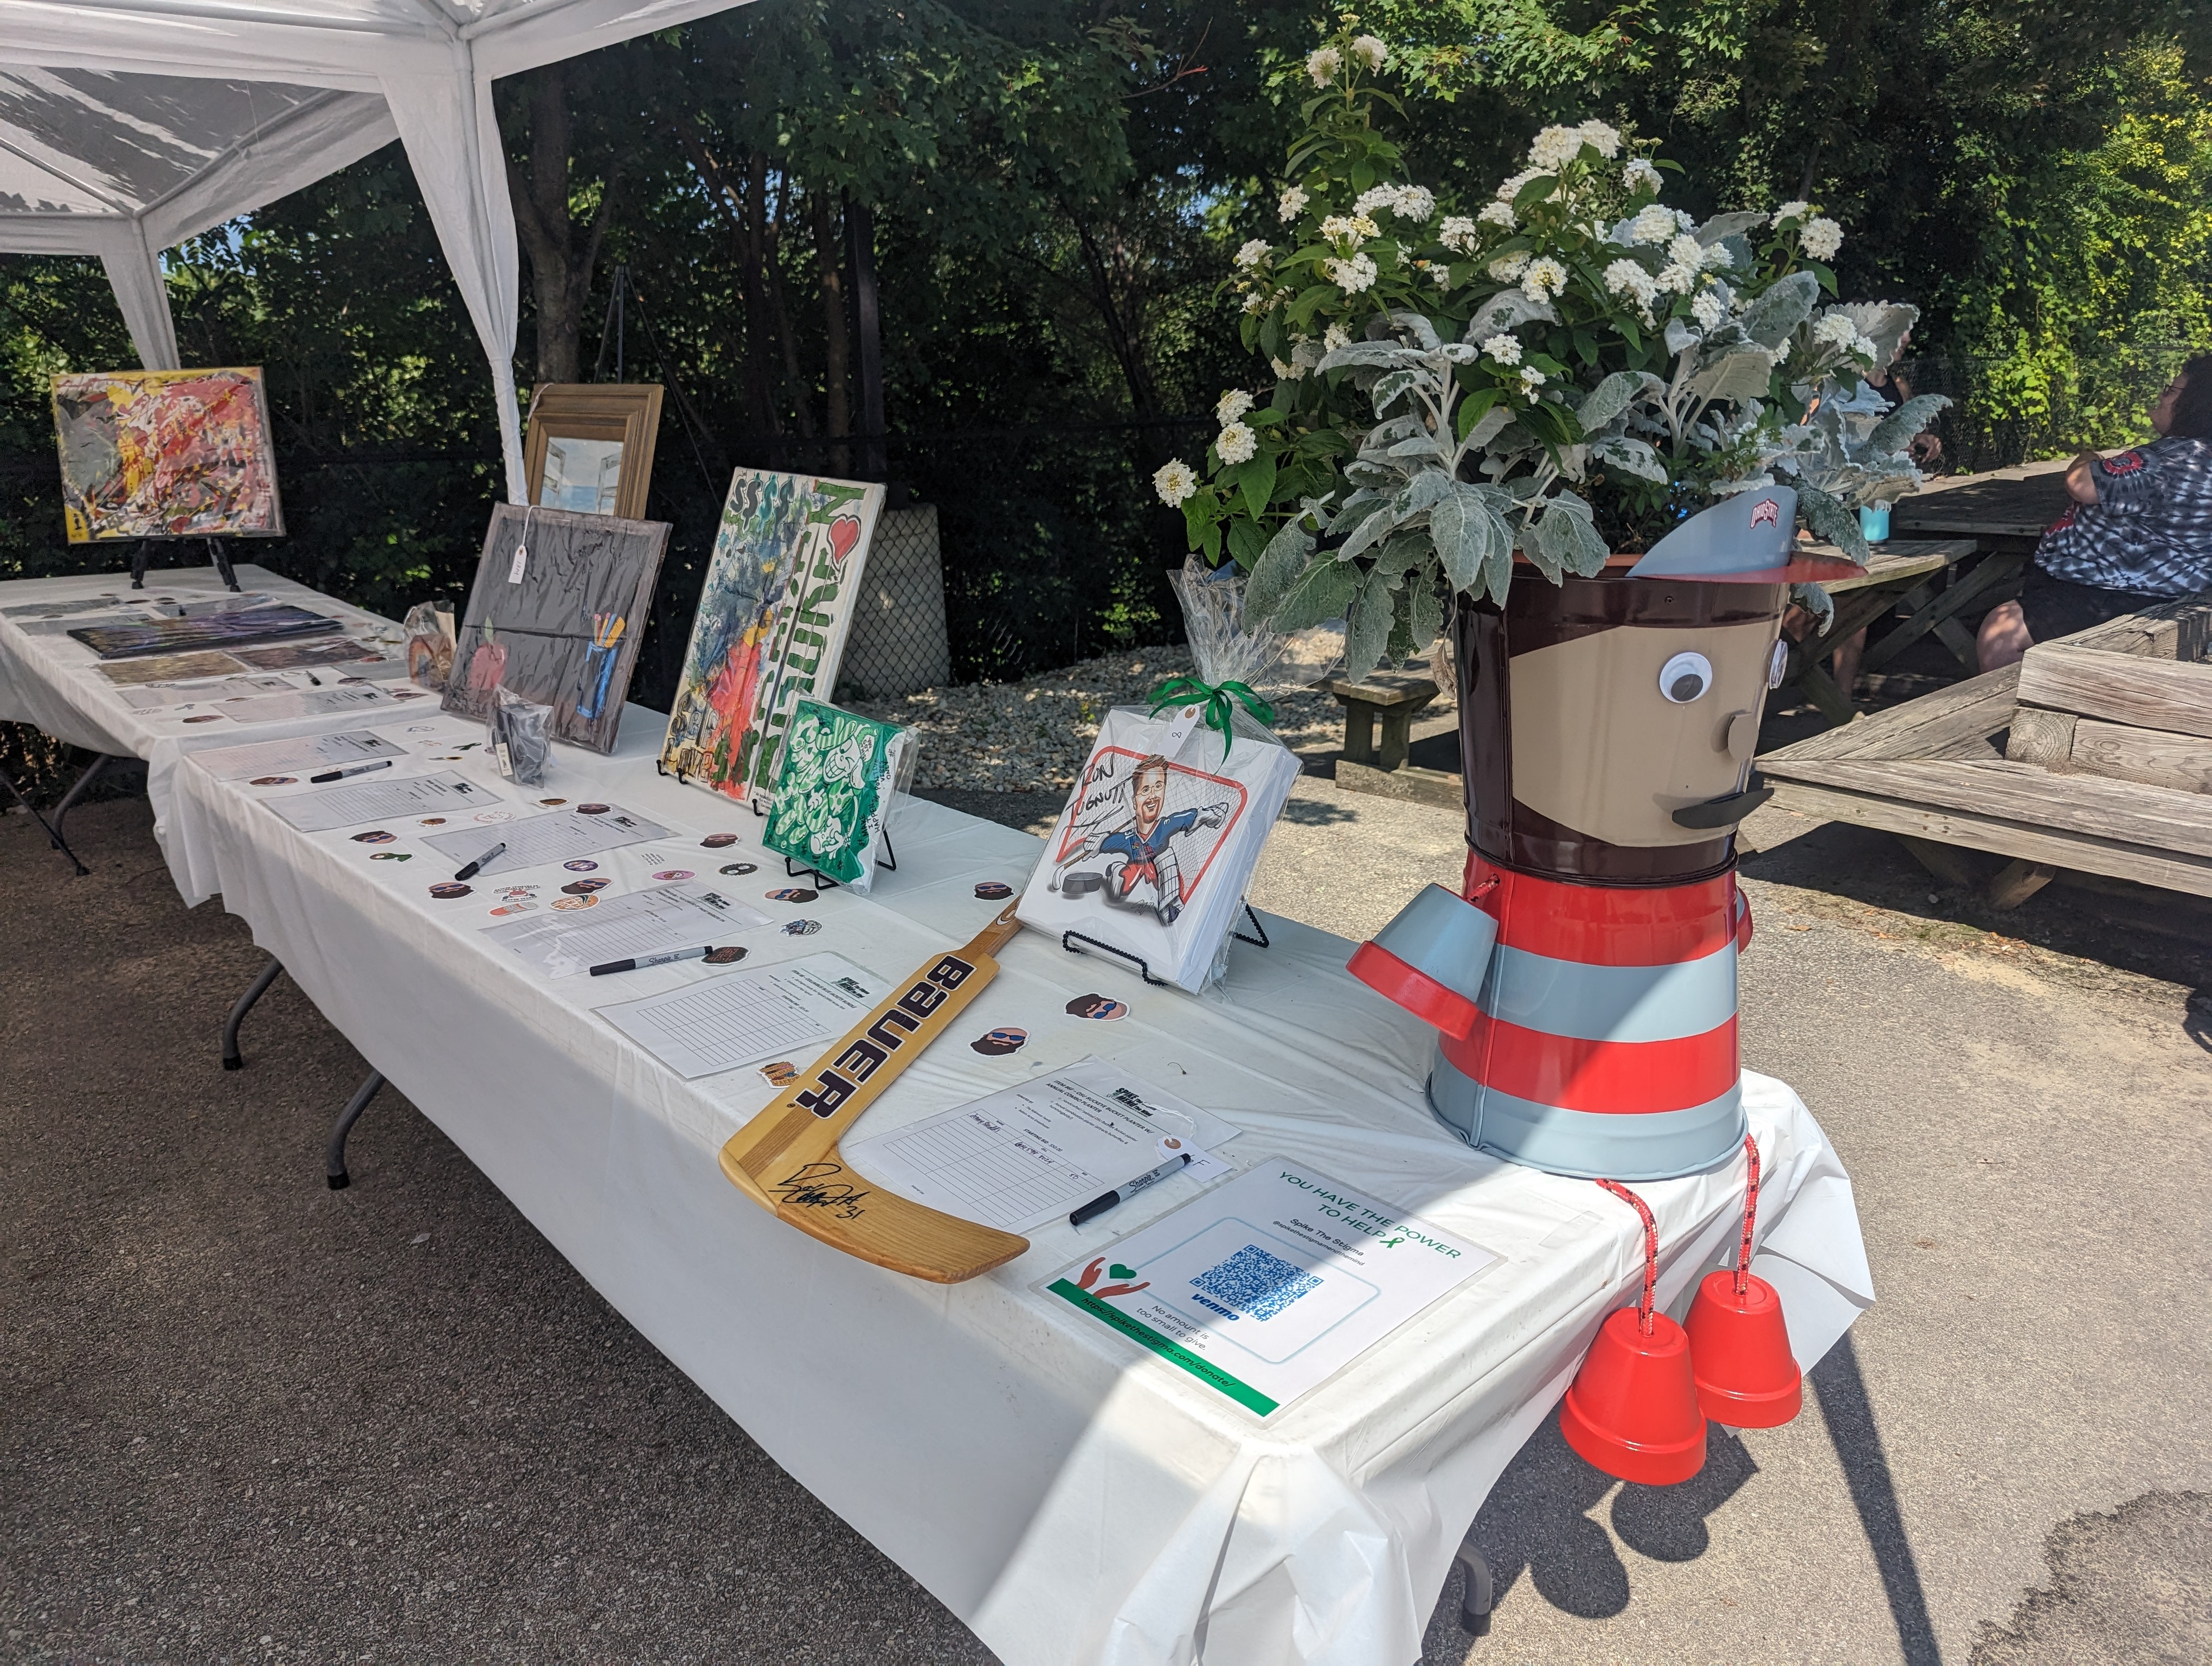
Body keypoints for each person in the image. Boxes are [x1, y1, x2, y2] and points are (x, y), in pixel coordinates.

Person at [1978, 356, 2212, 671]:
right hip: (2170, 593)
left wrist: (2087, 457)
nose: (2161, 395)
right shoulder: (2200, 457)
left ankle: (2022, 704)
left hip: (2117, 595)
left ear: (2195, 404)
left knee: (2000, 633)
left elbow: (2082, 484)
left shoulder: (2169, 458)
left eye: (2171, 391)